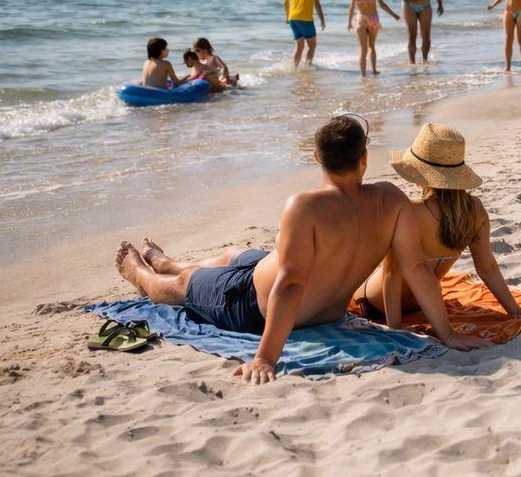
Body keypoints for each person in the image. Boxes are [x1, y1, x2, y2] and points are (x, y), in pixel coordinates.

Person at [113, 115, 491, 385]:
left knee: (184, 285)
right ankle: (166, 260)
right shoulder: (391, 201)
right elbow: (417, 268)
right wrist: (446, 333)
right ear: (363, 159)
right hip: (290, 290)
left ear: (316, 158)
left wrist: (265, 357)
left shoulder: (304, 206)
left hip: (249, 303)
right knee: (234, 254)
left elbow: (291, 284)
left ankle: (140, 272)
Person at [350, 124, 521, 325]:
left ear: (419, 171)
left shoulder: (410, 211)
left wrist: (395, 329)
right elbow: (488, 267)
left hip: (375, 305)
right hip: (425, 304)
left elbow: (391, 274)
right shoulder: (475, 211)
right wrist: (516, 311)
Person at [347, 0, 401, 78]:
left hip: (361, 19)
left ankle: (363, 75)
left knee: (363, 50)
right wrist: (394, 15)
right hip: (373, 19)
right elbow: (382, 5)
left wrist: (349, 22)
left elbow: (351, 7)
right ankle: (374, 70)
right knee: (372, 46)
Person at [284, 0, 325, 68]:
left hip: (293, 18)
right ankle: (308, 67)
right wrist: (322, 20)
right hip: (305, 20)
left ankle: (295, 68)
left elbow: (286, 1)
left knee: (299, 47)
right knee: (312, 45)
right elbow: (317, 4)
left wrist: (287, 16)